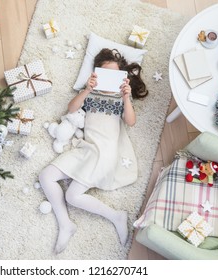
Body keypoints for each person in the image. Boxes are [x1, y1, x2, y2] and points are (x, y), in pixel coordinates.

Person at [39, 48, 148, 254]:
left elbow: (131, 122)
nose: (109, 80)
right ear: (96, 75)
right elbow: (72, 108)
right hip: (87, 148)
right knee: (46, 176)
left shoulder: (119, 98)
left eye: (114, 75)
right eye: (104, 74)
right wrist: (87, 89)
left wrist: (126, 97)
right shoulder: (90, 93)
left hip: (104, 153)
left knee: (72, 196)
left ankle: (115, 216)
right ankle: (65, 224)